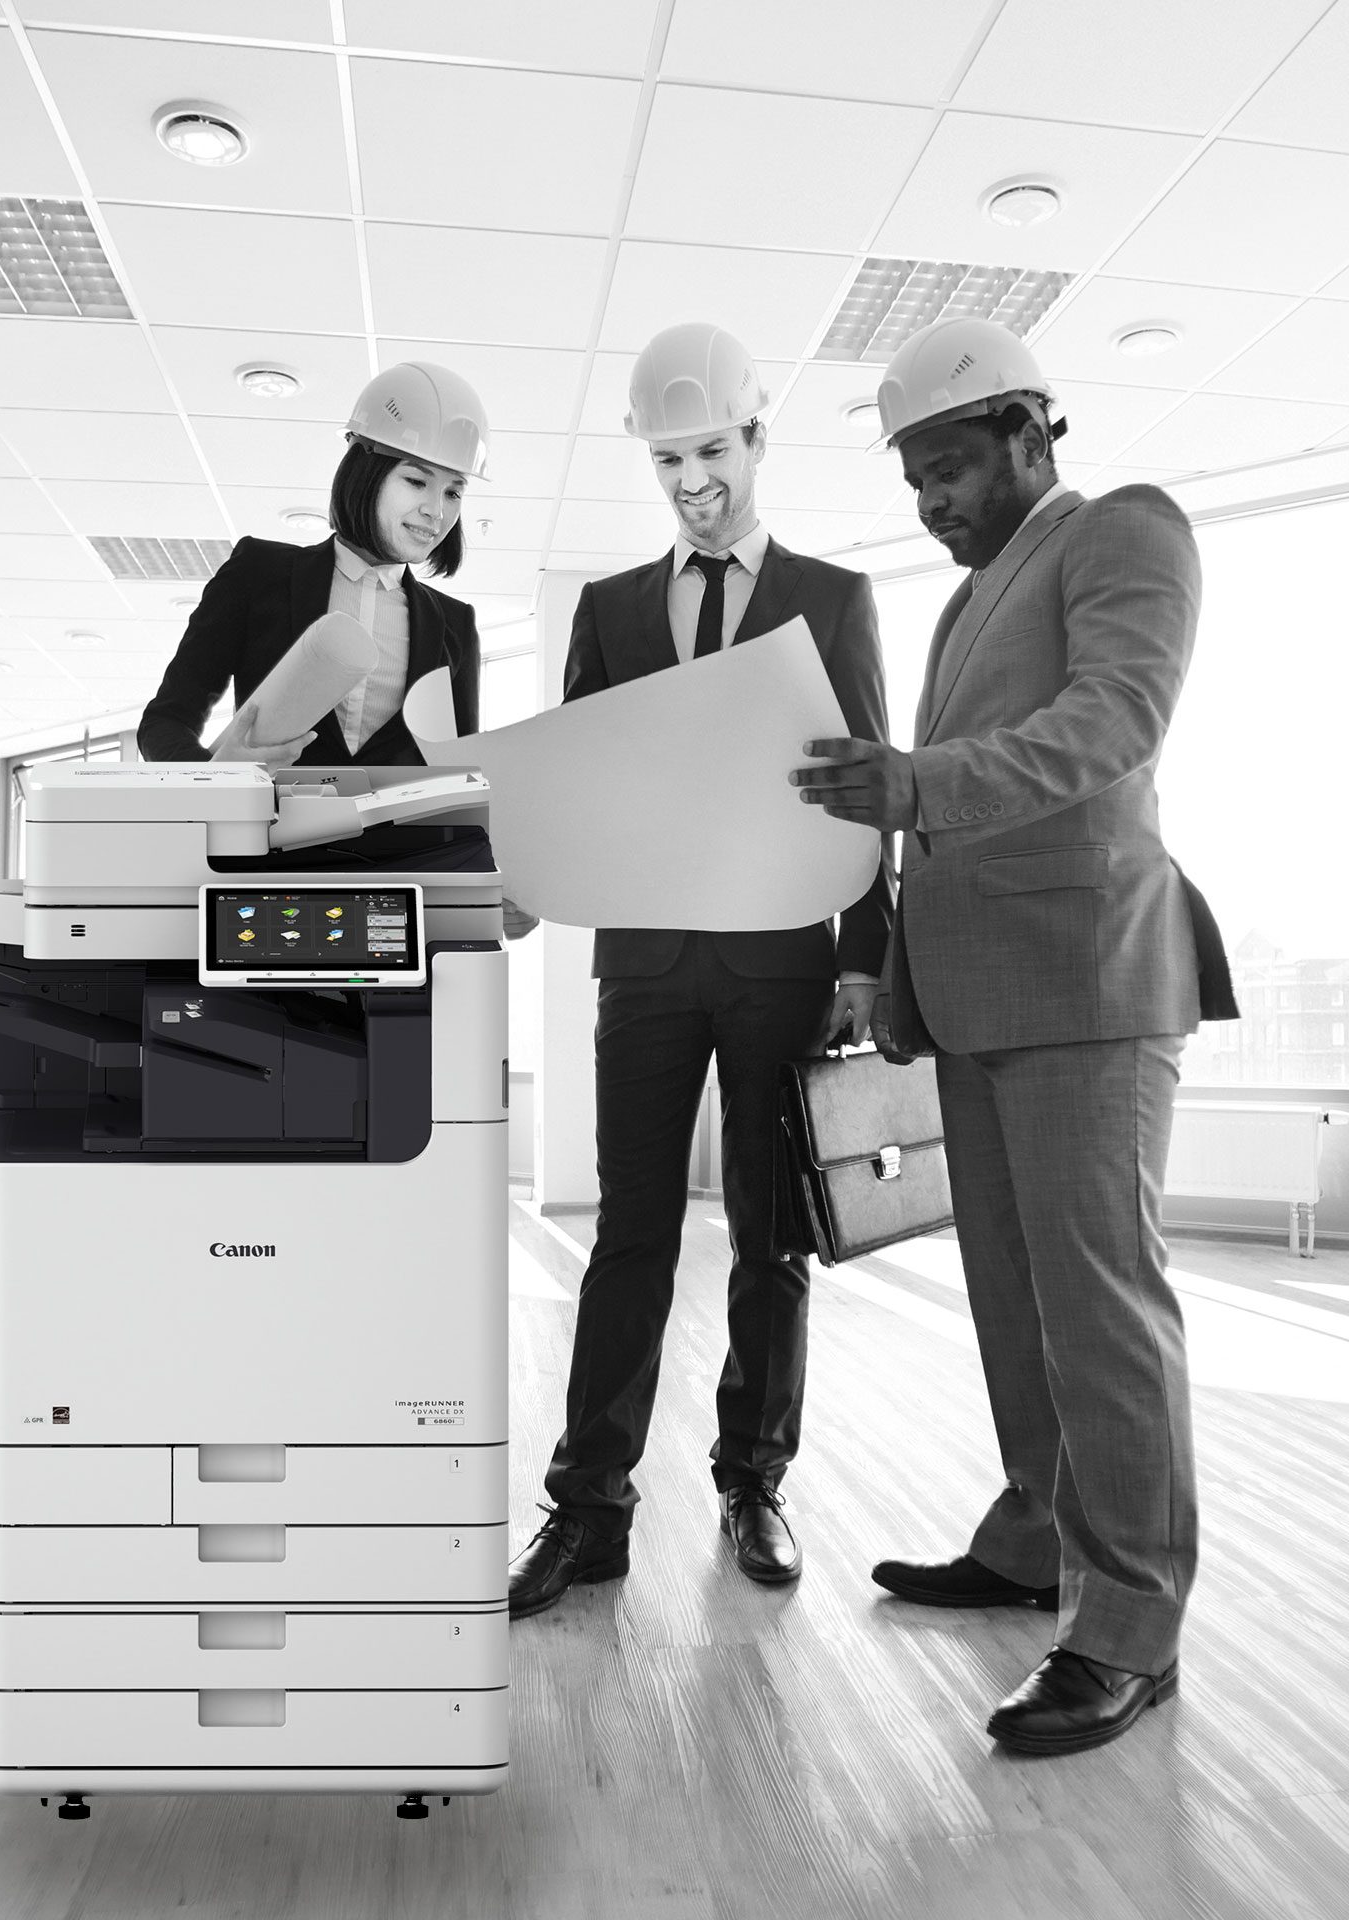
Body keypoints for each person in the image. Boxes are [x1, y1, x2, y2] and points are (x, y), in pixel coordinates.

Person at [792, 316, 1236, 1757]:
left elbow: (1113, 721)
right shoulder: (963, 603)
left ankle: (1130, 1623)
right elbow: (938, 805)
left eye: (951, 466)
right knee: (1012, 1301)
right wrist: (884, 969)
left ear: (1033, 433)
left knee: (1101, 1309)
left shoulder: (1121, 530)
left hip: (1090, 987)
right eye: (914, 478)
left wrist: (911, 784)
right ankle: (1041, 1534)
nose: (932, 501)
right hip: (976, 996)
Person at [508, 322, 895, 1620]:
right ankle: (589, 1510)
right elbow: (578, 782)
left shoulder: (834, 599)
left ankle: (753, 1484)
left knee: (770, 1239)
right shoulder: (610, 610)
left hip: (787, 967)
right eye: (670, 458)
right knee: (631, 1235)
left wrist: (865, 968)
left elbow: (865, 797)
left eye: (713, 451)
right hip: (652, 972)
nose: (693, 480)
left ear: (756, 439)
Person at [136, 363, 485, 766]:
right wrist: (214, 778)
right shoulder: (259, 572)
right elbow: (164, 722)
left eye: (454, 492)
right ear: (365, 472)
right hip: (269, 823)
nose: (436, 511)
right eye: (416, 482)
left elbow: (461, 777)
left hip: (399, 830)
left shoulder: (454, 625)